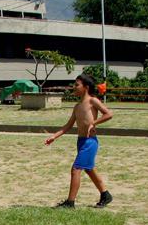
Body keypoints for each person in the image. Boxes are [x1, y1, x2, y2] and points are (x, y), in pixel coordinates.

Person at [45, 74, 113, 208]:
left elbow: (109, 114)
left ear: (86, 87)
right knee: (89, 169)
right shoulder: (77, 106)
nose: (74, 87)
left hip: (90, 142)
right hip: (81, 141)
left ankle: (70, 202)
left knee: (76, 169)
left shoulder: (93, 101)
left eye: (77, 85)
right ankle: (106, 195)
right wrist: (54, 136)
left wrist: (94, 123)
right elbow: (68, 126)